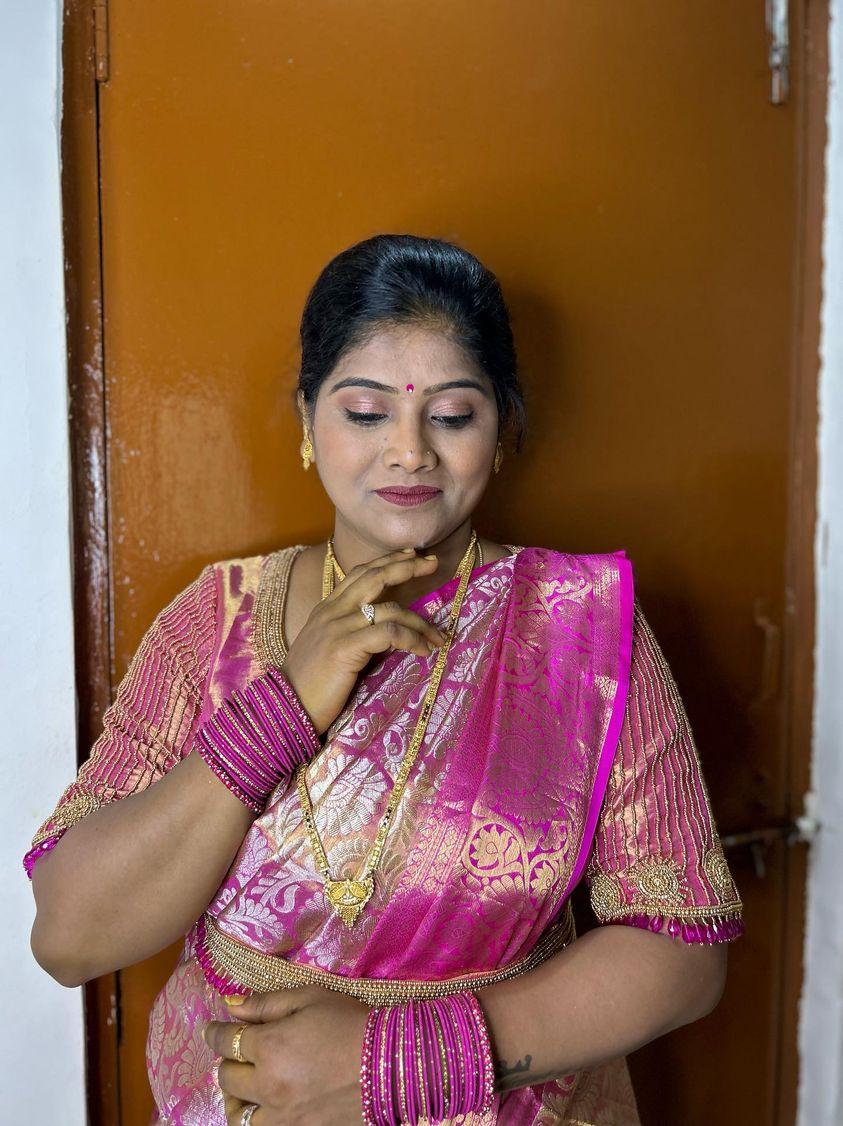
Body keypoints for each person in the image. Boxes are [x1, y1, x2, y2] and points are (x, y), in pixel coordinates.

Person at [25, 234, 743, 1126]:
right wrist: (283, 704)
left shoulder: (583, 630)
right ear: (306, 421)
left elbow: (683, 951)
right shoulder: (216, 622)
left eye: (452, 415)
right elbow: (71, 938)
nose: (408, 452)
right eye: (365, 412)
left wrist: (397, 1062)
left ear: (504, 427)